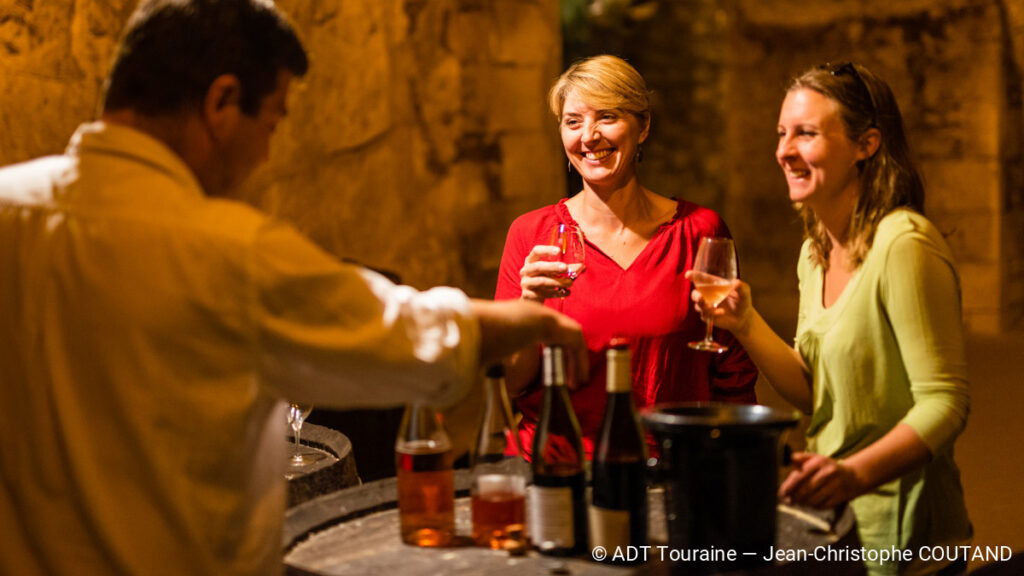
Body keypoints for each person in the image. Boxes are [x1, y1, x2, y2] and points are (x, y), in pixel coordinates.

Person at [0, 1, 586, 575]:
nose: (267, 152)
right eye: (273, 121)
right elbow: (411, 337)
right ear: (222, 102)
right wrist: (539, 323)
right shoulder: (227, 249)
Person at [692, 62, 972, 575]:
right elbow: (815, 393)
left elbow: (946, 403)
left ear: (867, 144)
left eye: (806, 133)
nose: (784, 150)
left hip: (906, 536)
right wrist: (746, 323)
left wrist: (853, 474)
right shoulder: (814, 252)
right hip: (837, 529)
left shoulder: (904, 244)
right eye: (781, 133)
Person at [495, 55, 758, 459]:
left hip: (670, 464)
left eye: (607, 117)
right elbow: (511, 384)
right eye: (573, 122)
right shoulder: (531, 235)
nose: (589, 136)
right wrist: (531, 306)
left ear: (644, 126)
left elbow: (732, 375)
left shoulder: (699, 231)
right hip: (556, 468)